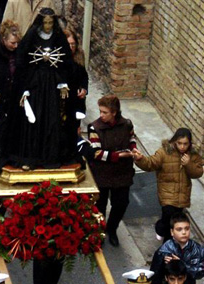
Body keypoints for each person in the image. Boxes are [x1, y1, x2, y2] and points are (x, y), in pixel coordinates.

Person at [0, 8, 74, 172]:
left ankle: (50, 156)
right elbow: (23, 64)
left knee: (51, 120)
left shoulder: (58, 37)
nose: (47, 26)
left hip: (52, 87)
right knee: (33, 122)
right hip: (35, 86)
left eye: (50, 23)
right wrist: (25, 88)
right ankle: (30, 157)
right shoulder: (31, 37)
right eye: (45, 22)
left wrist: (62, 82)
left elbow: (66, 63)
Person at [133, 128, 203, 242]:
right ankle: (165, 240)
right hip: (167, 193)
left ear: (189, 144)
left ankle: (164, 235)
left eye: (185, 144)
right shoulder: (164, 152)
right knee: (169, 218)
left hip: (182, 195)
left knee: (174, 221)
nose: (182, 147)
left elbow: (198, 173)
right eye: (179, 143)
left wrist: (188, 164)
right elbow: (151, 163)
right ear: (174, 141)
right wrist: (140, 159)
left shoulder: (193, 156)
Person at [88, 94, 138, 247]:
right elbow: (96, 153)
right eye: (100, 112)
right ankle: (99, 231)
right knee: (100, 205)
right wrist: (119, 155)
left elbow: (131, 140)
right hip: (101, 172)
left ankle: (112, 229)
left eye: (105, 112)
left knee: (121, 203)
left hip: (122, 172)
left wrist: (134, 150)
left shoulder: (127, 124)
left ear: (114, 112)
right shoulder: (94, 127)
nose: (101, 115)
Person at [150, 212, 204, 284]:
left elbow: (200, 273)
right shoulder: (164, 251)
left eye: (187, 228)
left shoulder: (197, 249)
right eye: (179, 229)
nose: (184, 232)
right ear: (172, 232)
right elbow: (155, 278)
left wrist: (182, 265)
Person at [64, 29, 88, 129]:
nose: (71, 47)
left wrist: (84, 89)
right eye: (69, 44)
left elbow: (84, 75)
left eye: (73, 44)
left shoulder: (79, 56)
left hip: (75, 97)